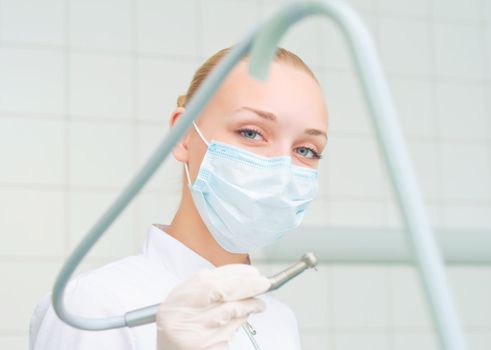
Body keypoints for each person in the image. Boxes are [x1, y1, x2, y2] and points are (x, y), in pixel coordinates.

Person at [29, 46, 328, 350]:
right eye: (251, 132)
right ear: (184, 136)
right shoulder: (94, 307)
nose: (281, 171)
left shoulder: (278, 319)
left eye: (306, 150)